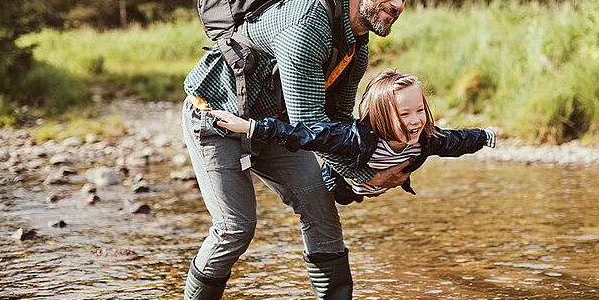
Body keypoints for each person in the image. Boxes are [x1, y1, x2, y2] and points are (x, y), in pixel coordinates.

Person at [181, 0, 429, 300]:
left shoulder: (356, 46)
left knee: (321, 212)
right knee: (235, 229)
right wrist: (365, 176)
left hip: (275, 127)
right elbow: (311, 123)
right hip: (217, 118)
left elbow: (340, 122)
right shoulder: (308, 23)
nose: (398, 4)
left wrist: (350, 173)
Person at [210, 70, 498, 203]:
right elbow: (305, 135)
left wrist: (485, 136)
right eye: (404, 114)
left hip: (380, 185)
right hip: (343, 184)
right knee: (345, 199)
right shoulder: (355, 138)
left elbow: (457, 141)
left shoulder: (427, 139)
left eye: (419, 110)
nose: (415, 121)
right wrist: (251, 127)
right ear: (383, 116)